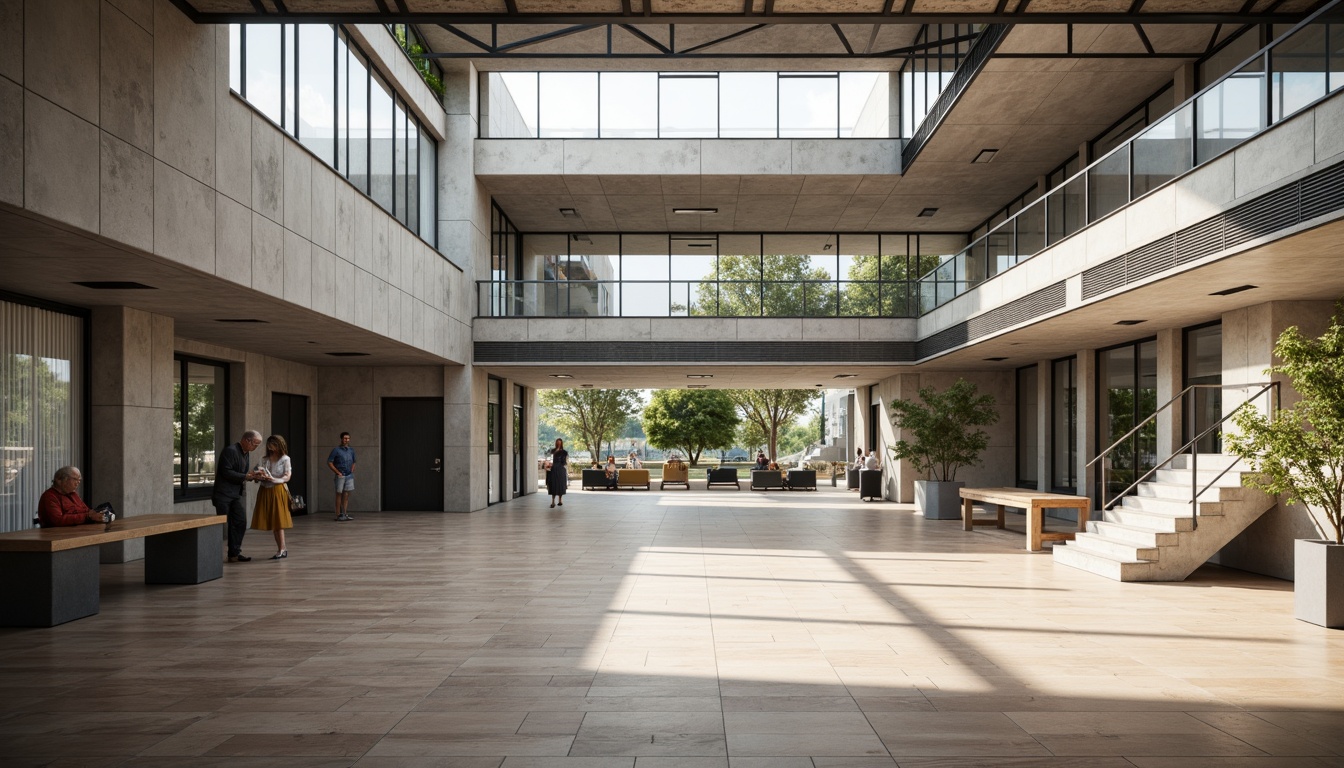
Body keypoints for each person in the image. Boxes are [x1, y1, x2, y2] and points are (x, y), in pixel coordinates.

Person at [212, 429, 262, 563]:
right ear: (246, 440)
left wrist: (253, 475)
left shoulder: (246, 453)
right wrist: (246, 476)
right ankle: (212, 556)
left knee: (240, 521)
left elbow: (241, 472)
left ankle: (234, 554)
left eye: (258, 445)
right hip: (223, 494)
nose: (256, 448)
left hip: (234, 494)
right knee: (220, 525)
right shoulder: (231, 451)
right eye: (255, 444)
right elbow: (226, 471)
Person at [250, 434, 293, 560]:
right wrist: (258, 476)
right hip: (265, 490)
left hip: (278, 489)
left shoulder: (285, 459)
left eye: (273, 445)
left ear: (279, 445)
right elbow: (256, 473)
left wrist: (274, 479)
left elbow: (287, 476)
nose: (271, 448)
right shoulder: (264, 459)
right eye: (269, 446)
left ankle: (282, 549)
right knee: (273, 521)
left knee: (278, 521)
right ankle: (281, 549)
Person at [37, 467, 108, 527]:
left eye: (79, 480)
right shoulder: (49, 496)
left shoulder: (73, 494)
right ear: (59, 480)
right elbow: (58, 520)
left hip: (77, 533)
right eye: (75, 479)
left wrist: (97, 514)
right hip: (56, 536)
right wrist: (88, 516)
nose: (77, 483)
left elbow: (86, 511)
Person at [327, 431, 356, 522]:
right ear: (341, 439)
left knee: (346, 495)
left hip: (349, 475)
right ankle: (338, 514)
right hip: (340, 475)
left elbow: (354, 461)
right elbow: (329, 462)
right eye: (345, 438)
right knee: (339, 494)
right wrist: (337, 472)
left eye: (348, 438)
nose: (346, 440)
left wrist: (352, 469)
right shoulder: (336, 450)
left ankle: (345, 513)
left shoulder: (351, 450)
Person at [546, 438, 568, 508]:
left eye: (560, 442)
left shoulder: (564, 452)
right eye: (557, 442)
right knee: (553, 484)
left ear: (561, 443)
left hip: (560, 469)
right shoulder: (552, 451)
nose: (559, 443)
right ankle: (553, 502)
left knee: (560, 484)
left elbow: (564, 462)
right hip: (553, 469)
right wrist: (549, 465)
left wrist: (561, 466)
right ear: (556, 443)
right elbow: (549, 459)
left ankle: (560, 500)